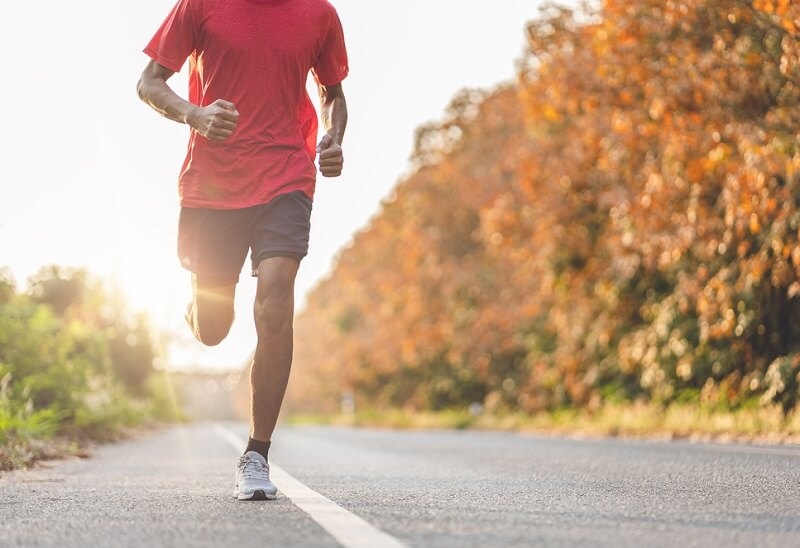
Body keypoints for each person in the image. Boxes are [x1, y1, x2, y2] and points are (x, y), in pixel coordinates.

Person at [136, 0, 348, 501]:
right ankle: (199, 298)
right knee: (213, 329)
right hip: (213, 184)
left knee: (276, 297)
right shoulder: (200, 5)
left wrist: (334, 137)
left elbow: (333, 92)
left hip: (286, 174)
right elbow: (148, 82)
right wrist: (195, 115)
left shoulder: (318, 13)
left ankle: (257, 453)